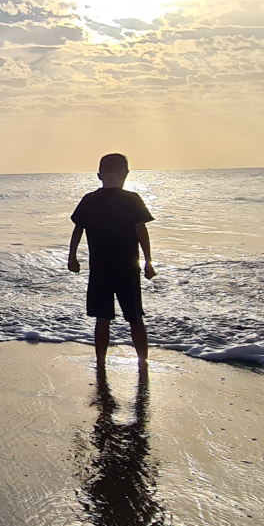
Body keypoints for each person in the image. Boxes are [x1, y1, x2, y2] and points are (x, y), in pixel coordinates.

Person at [68, 153, 156, 369]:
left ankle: (100, 362)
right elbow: (140, 230)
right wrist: (148, 261)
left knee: (102, 318)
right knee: (135, 317)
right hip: (128, 268)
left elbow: (77, 229)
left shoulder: (90, 200)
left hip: (100, 269)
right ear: (126, 174)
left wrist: (72, 257)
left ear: (99, 175)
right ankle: (142, 362)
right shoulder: (132, 199)